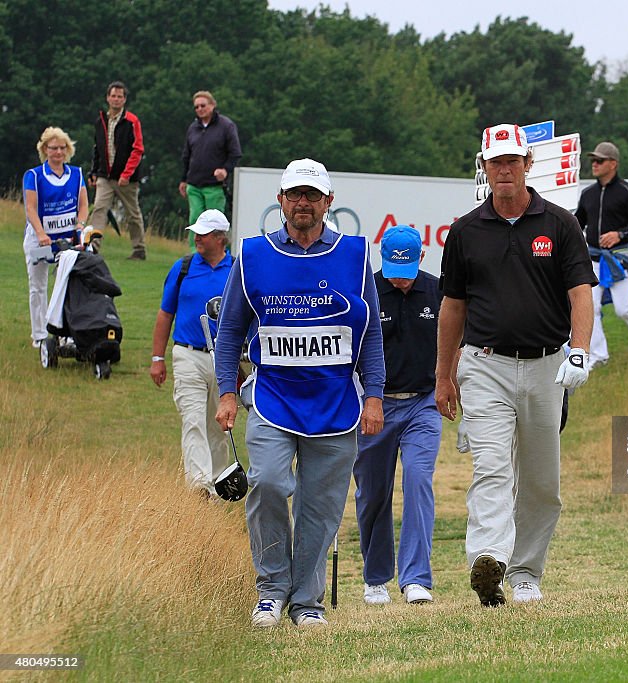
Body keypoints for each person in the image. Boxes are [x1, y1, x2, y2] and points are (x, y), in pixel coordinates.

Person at [213, 158, 385, 628]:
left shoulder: (353, 254)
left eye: (312, 195)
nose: (303, 202)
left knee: (320, 508)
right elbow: (229, 331)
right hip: (272, 398)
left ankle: (305, 600)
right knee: (267, 482)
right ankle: (271, 590)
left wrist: (375, 395)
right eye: (295, 194)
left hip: (336, 404)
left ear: (329, 202)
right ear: (281, 200)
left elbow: (370, 333)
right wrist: (227, 392)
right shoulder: (252, 254)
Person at [435, 123, 596, 606]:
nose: (504, 169)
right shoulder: (464, 231)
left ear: (528, 164)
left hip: (548, 364)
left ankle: (526, 572)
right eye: (495, 162)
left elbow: (580, 293)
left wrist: (580, 348)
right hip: (485, 365)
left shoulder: (560, 223)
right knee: (491, 468)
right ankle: (489, 559)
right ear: (483, 167)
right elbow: (453, 308)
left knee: (543, 483)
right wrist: (444, 375)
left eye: (512, 161)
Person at [354, 225, 442, 607]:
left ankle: (416, 578)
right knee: (373, 493)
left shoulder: (438, 292)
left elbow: (458, 341)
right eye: (393, 272)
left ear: (422, 258)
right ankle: (376, 578)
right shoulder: (366, 291)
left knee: (419, 481)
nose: (400, 281)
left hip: (423, 402)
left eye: (407, 272)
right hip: (375, 404)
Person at [149, 210, 234, 496]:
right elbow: (165, 314)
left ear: (221, 238)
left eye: (204, 233)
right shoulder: (183, 267)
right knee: (193, 420)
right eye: (196, 232)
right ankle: (199, 487)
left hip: (224, 359)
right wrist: (157, 358)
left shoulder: (236, 270)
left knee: (219, 428)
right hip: (187, 355)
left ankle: (219, 486)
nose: (197, 238)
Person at [575, 141, 628, 368]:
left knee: (624, 308)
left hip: (619, 260)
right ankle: (599, 355)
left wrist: (619, 234)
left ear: (613, 164)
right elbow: (578, 222)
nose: (594, 165)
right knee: (592, 308)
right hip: (593, 260)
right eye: (593, 161)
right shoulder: (588, 194)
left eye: (599, 161)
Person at [22, 127, 89, 348]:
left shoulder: (76, 173)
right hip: (40, 241)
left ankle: (66, 332)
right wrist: (41, 234)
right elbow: (30, 209)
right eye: (53, 148)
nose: (58, 152)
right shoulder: (33, 176)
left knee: (68, 285)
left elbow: (83, 205)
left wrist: (80, 225)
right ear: (45, 150)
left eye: (62, 148)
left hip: (67, 241)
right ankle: (39, 335)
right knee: (38, 286)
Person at [88, 80, 147, 260]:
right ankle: (93, 247)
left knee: (132, 214)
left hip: (126, 179)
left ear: (124, 100)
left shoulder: (131, 121)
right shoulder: (101, 121)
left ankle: (139, 249)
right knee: (99, 209)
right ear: (107, 98)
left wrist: (126, 174)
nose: (116, 99)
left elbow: (138, 149)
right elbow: (98, 148)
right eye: (113, 96)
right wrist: (94, 172)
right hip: (105, 176)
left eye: (119, 97)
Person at [178, 90, 242, 230]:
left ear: (212, 105)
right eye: (196, 107)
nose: (200, 109)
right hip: (194, 184)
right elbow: (186, 156)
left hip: (215, 185)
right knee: (194, 220)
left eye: (203, 105)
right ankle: (195, 251)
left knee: (215, 223)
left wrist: (225, 170)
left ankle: (217, 252)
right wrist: (183, 179)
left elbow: (235, 153)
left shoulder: (226, 126)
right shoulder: (193, 128)